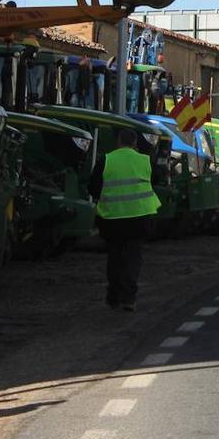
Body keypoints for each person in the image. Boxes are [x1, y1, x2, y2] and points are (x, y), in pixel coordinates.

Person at [88, 128, 160, 312]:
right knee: (133, 258)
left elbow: (93, 187)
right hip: (139, 217)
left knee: (115, 257)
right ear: (135, 142)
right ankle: (129, 298)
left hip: (112, 218)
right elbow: (156, 181)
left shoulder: (107, 160)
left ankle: (113, 296)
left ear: (118, 141)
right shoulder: (145, 160)